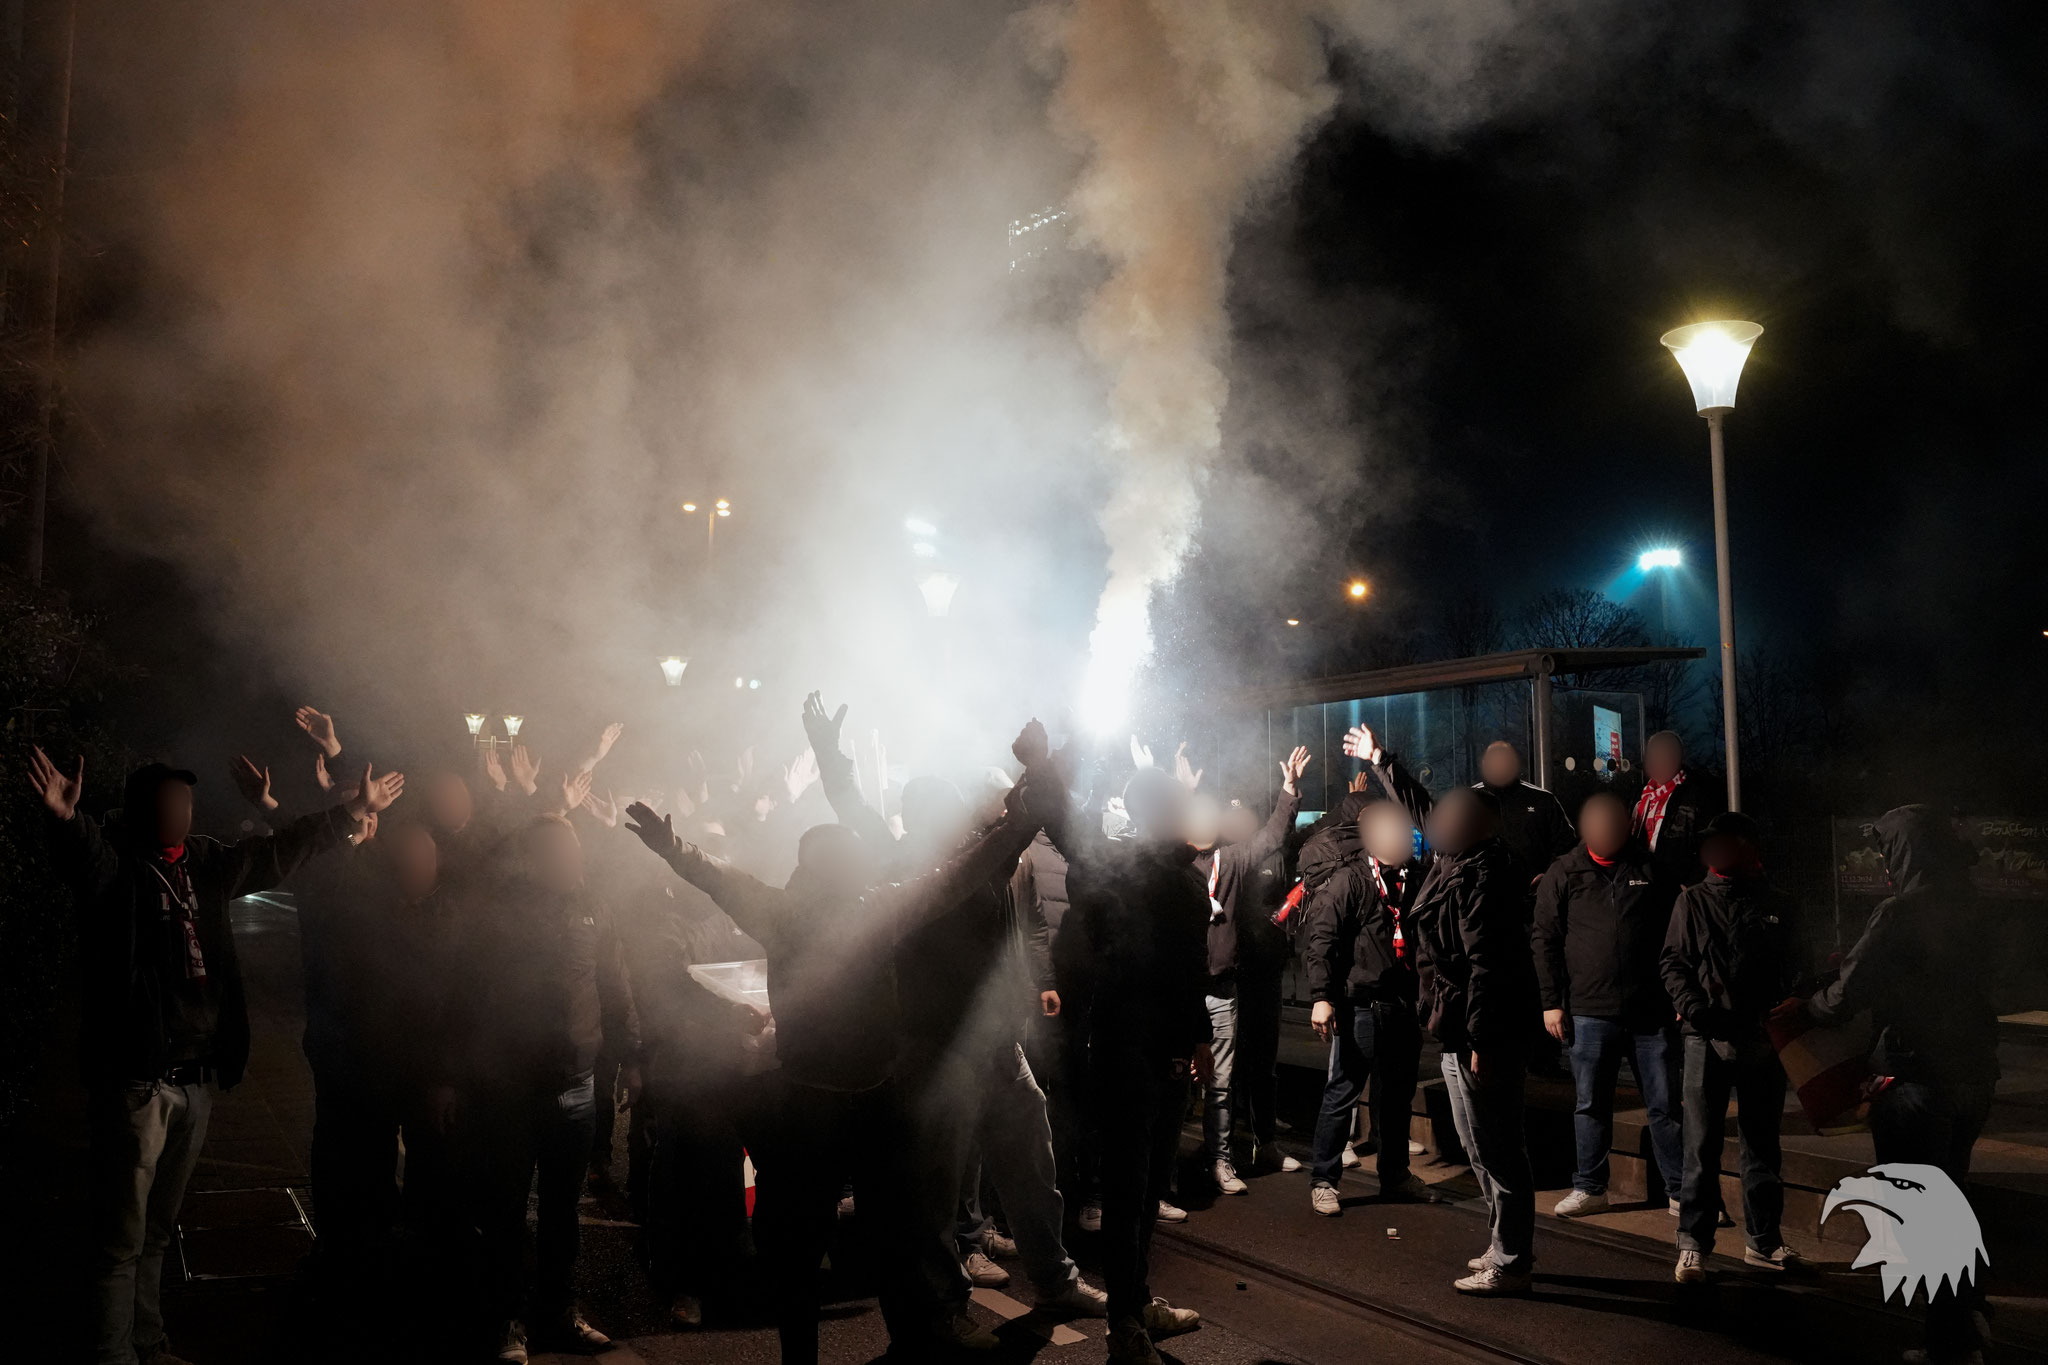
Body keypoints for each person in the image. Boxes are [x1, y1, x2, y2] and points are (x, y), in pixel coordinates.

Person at [622, 719, 1058, 1365]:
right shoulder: (867, 907)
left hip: (831, 1100)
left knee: (814, 1248)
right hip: (838, 1104)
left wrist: (671, 846)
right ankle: (898, 1342)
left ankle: (860, 1346)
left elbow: (715, 874)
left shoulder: (799, 908)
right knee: (863, 1240)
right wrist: (1016, 824)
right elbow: (960, 874)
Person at [28, 746, 400, 1365]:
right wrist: (66, 821)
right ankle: (113, 1354)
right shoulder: (119, 867)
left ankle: (149, 1341)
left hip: (195, 1076)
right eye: (168, 800)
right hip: (136, 1082)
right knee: (120, 1237)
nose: (180, 809)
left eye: (186, 800)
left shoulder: (204, 862)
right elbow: (84, 861)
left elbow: (277, 852)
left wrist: (350, 812)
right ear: (141, 810)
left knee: (156, 1229)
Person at [799, 696, 1106, 1335]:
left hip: (996, 1045)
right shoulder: (907, 862)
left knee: (1030, 1169)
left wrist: (1043, 763)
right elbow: (854, 806)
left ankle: (1052, 1282)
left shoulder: (981, 856)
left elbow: (1020, 816)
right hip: (933, 1049)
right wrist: (830, 756)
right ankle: (946, 1307)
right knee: (937, 1192)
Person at [1775, 806, 1997, 1363]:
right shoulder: (1978, 905)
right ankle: (1971, 1312)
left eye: (1886, 851)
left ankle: (1950, 1343)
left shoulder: (1899, 913)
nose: (1883, 862)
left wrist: (1809, 1005)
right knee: (1955, 1196)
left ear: (1905, 852)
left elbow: (1848, 995)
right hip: (1975, 1073)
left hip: (1916, 1077)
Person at [1346, 724, 1538, 1294]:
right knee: (1478, 1142)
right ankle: (1504, 1244)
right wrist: (1382, 759)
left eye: (1454, 814)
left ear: (1481, 824)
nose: (1435, 821)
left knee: (1497, 1145)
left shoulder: (1485, 877)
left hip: (1487, 1033)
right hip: (1460, 1029)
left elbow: (1488, 968)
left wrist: (1481, 1040)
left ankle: (1512, 1259)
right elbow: (1420, 803)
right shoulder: (1459, 857)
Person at [449, 814, 641, 1362]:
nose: (574, 861)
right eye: (561, 852)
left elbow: (615, 985)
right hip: (509, 1089)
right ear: (532, 860)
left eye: (575, 850)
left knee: (563, 1212)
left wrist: (634, 1060)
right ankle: (506, 1324)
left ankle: (558, 1315)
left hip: (578, 1087)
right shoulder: (495, 914)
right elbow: (463, 999)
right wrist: (450, 1077)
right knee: (505, 1213)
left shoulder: (595, 909)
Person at [1045, 744, 1215, 1365]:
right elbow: (1180, 971)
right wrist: (1050, 769)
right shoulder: (1134, 871)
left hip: (1152, 1047)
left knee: (1144, 1189)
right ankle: (1124, 1325)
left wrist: (1194, 1036)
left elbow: (1187, 969)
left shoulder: (1175, 871)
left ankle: (1136, 1302)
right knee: (1129, 1187)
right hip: (1127, 1050)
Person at [1660, 811, 1810, 1283]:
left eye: (1723, 842)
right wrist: (1697, 1011)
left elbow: (1801, 965)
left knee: (1761, 1143)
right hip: (1705, 1039)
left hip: (1764, 1039)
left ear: (1747, 845)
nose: (1714, 850)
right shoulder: (1693, 901)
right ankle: (1693, 1245)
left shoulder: (1781, 903)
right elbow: (1673, 964)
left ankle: (1764, 1241)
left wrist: (1796, 1000)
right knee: (1699, 1145)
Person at [1532, 791, 1684, 1217]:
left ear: (1627, 826)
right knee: (1590, 1105)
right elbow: (1544, 939)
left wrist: (1679, 994)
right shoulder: (1564, 872)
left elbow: (1678, 935)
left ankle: (1680, 1191)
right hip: (1588, 1010)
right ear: (1585, 829)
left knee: (1665, 1106)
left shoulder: (1653, 869)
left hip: (1651, 1011)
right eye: (1598, 824)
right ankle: (1591, 1186)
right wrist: (1551, 1003)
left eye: (1615, 823)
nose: (1607, 831)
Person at [1300, 781, 1438, 1216]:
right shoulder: (1351, 879)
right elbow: (1320, 939)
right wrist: (1322, 997)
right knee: (1342, 1091)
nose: (1403, 839)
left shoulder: (1415, 878)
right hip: (1359, 1004)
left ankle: (1395, 1176)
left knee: (1396, 1098)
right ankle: (1323, 1179)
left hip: (1401, 1004)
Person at [1188, 746, 1306, 1196]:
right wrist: (1184, 792)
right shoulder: (1171, 865)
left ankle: (1220, 1159)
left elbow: (1272, 836)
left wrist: (1289, 791)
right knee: (1176, 1081)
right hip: (1178, 989)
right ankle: (1163, 1174)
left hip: (1221, 987)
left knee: (1220, 1081)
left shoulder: (1230, 859)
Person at [1220, 797, 1297, 1175]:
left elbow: (1293, 837)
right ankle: (1223, 1151)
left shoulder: (1272, 853)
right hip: (1230, 973)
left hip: (1265, 969)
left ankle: (1265, 1142)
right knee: (1228, 1066)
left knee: (1264, 1061)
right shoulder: (1218, 856)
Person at [1475, 740, 1576, 889]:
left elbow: (1566, 844)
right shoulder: (1469, 802)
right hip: (1481, 898)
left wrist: (1549, 875)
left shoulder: (1542, 799)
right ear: (1485, 764)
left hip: (1535, 896)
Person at [1633, 731, 1720, 888]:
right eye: (1653, 755)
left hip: (1677, 888)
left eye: (1664, 755)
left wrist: (1692, 883)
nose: (1657, 761)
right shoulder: (1641, 796)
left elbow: (1710, 844)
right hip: (1641, 885)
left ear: (1678, 758)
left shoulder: (1696, 796)